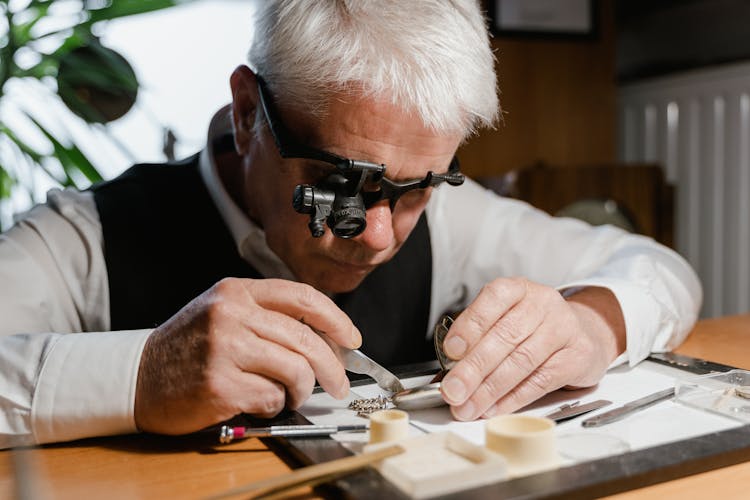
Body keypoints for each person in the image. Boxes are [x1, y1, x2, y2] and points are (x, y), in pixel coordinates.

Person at [0, 0, 701, 449]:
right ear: (248, 113)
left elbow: (659, 270)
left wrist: (588, 325)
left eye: (418, 188)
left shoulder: (452, 221)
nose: (381, 236)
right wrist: (143, 374)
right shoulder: (83, 239)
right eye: (340, 183)